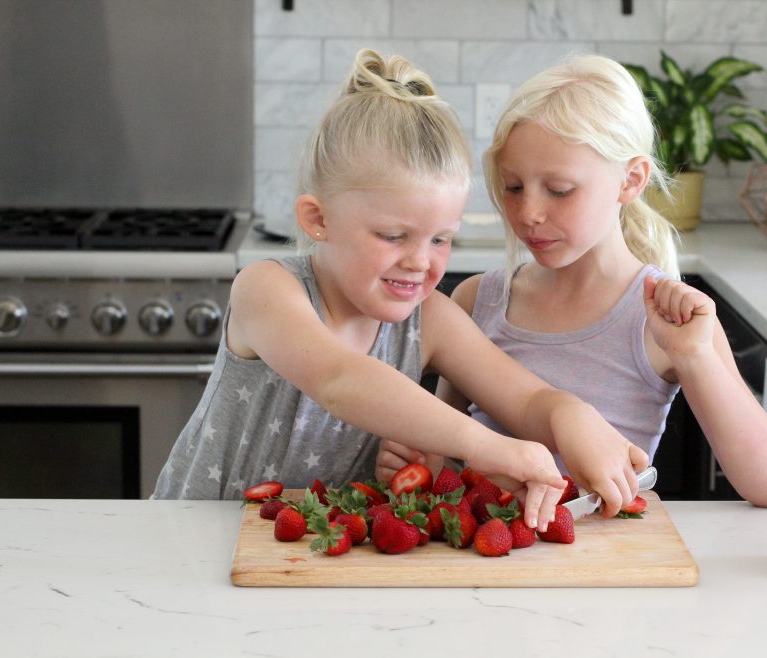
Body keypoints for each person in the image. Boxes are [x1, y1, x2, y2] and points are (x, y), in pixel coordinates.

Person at [151, 49, 649, 530]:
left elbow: (527, 400)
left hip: (307, 569)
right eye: (393, 237)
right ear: (318, 219)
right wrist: (483, 445)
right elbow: (340, 379)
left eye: (441, 239)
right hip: (187, 547)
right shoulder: (268, 289)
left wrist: (573, 418)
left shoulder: (431, 319)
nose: (419, 261)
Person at [376, 54, 767, 509]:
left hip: (597, 564)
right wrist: (418, 455)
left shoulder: (668, 321)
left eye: (559, 190)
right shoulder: (478, 300)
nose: (529, 212)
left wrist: (696, 357)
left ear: (630, 181)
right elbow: (444, 443)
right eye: (513, 187)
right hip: (483, 558)